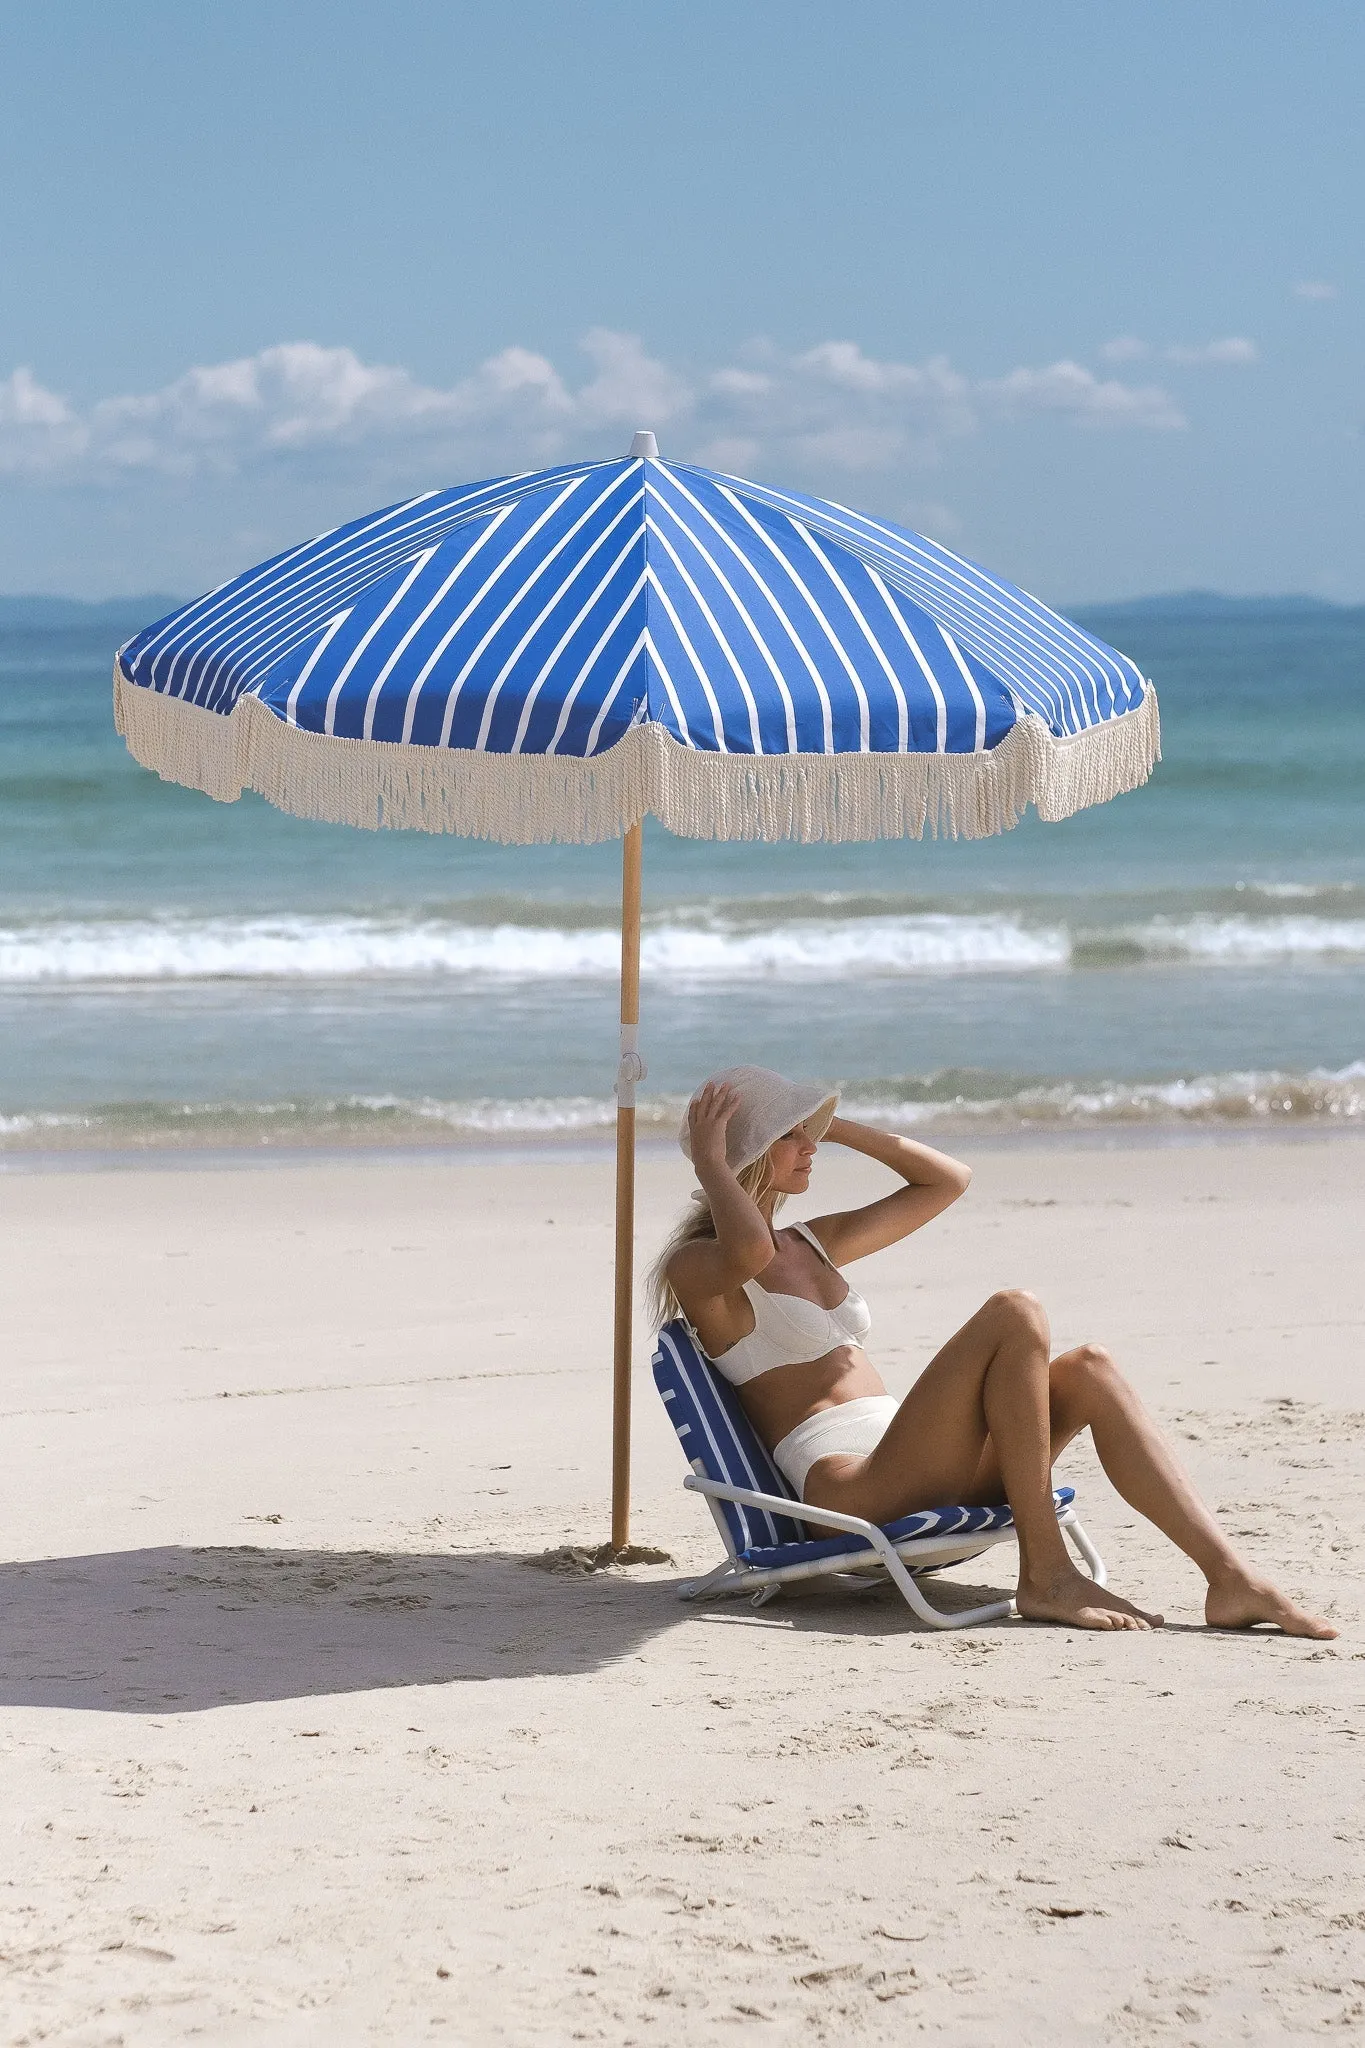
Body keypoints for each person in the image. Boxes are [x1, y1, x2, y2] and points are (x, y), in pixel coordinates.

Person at [651, 1065, 1335, 1637]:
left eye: (810, 1133)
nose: (811, 1148)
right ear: (747, 1152)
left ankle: (1229, 1580)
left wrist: (829, 1123)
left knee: (1090, 1367)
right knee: (1014, 1311)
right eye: (791, 1136)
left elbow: (945, 1180)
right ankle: (1045, 1575)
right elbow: (747, 1249)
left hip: (917, 1453)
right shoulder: (699, 1268)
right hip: (853, 1486)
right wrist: (713, 1160)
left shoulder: (813, 1241)